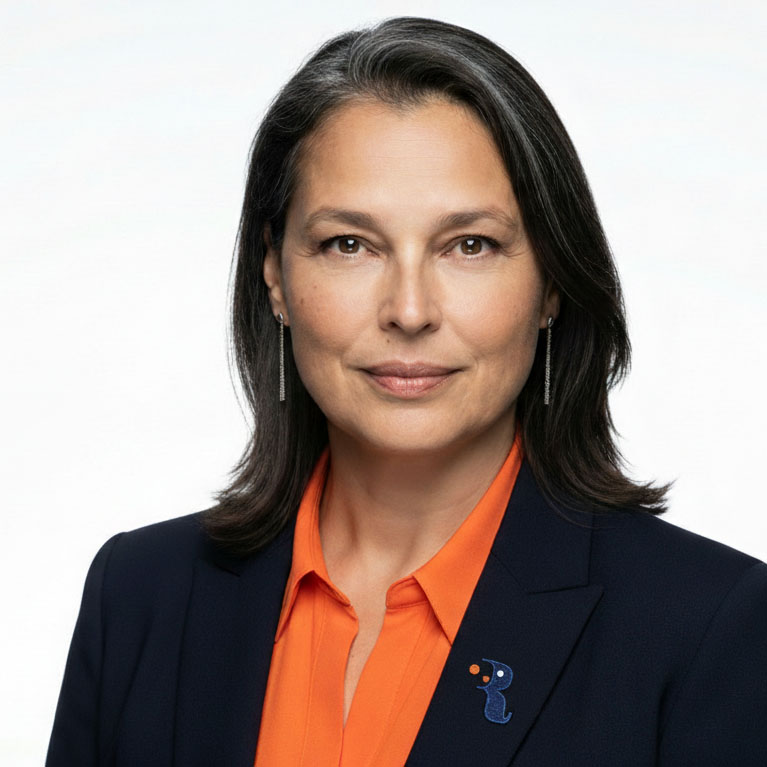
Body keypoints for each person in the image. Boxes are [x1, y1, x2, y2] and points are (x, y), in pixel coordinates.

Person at [46, 16, 767, 767]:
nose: (410, 310)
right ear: (275, 276)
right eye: (349, 244)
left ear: (551, 281)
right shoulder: (139, 595)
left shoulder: (707, 628)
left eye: (470, 245)